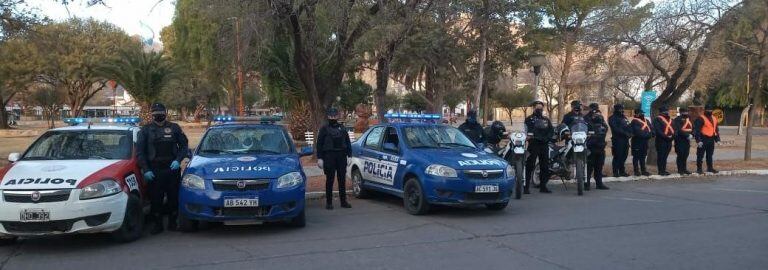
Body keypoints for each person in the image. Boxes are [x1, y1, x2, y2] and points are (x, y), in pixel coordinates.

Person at [137, 103, 189, 234]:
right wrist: (146, 169)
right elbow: (140, 152)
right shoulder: (146, 130)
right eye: (155, 113)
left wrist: (178, 160)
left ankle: (173, 223)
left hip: (172, 168)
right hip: (154, 170)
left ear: (165, 113)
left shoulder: (175, 128)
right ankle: (157, 225)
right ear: (152, 115)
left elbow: (184, 147)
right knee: (156, 199)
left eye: (160, 113)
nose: (158, 115)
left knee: (173, 198)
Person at [316, 107, 352, 209]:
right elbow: (319, 144)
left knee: (342, 180)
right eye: (331, 116)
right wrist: (320, 158)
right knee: (330, 180)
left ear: (337, 116)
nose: (333, 117)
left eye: (334, 116)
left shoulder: (342, 128)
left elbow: (348, 142)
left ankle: (343, 201)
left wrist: (350, 155)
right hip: (329, 156)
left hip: (341, 156)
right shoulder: (324, 128)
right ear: (328, 116)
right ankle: (329, 202)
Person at [524, 101, 554, 193]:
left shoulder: (546, 120)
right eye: (537, 108)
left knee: (544, 166)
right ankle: (526, 187)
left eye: (541, 108)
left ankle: (543, 186)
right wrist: (531, 136)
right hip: (533, 144)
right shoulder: (529, 119)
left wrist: (548, 138)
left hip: (544, 145)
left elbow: (551, 130)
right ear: (534, 108)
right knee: (530, 165)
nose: (539, 110)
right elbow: (527, 131)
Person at [585, 103, 609, 190]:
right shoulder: (587, 119)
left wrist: (600, 119)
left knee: (599, 167)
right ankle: (586, 184)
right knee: (589, 167)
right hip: (591, 147)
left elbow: (606, 128)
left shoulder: (601, 120)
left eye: (596, 108)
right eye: (593, 109)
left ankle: (599, 184)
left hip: (600, 146)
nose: (595, 110)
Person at [694, 105, 720, 174]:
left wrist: (717, 140)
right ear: (705, 111)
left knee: (710, 155)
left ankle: (710, 168)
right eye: (708, 110)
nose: (709, 111)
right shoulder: (700, 118)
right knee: (700, 155)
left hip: (711, 139)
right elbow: (697, 130)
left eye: (711, 110)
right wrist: (698, 140)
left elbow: (716, 130)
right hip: (703, 139)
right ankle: (699, 169)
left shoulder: (714, 118)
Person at [608, 104, 633, 177]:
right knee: (617, 156)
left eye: (622, 109)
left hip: (625, 140)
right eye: (620, 109)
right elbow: (615, 128)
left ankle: (622, 171)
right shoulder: (612, 118)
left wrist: (630, 133)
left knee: (624, 156)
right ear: (616, 109)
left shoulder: (624, 117)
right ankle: (615, 172)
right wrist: (625, 133)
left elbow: (629, 126)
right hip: (617, 140)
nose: (622, 110)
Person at [630, 108, 653, 176]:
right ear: (636, 114)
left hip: (645, 142)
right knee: (636, 157)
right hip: (637, 141)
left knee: (643, 157)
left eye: (643, 113)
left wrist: (651, 134)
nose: (642, 114)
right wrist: (648, 135)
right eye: (641, 113)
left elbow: (651, 129)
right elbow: (638, 132)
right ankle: (636, 171)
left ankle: (643, 171)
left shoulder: (647, 120)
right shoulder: (634, 121)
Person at [653, 105, 675, 176]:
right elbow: (658, 130)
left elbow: (674, 128)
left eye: (667, 111)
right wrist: (666, 137)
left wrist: (672, 137)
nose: (666, 113)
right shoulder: (657, 119)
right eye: (665, 111)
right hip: (661, 140)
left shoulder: (670, 119)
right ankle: (660, 171)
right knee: (661, 156)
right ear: (661, 112)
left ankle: (664, 170)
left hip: (669, 141)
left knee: (665, 156)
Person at [672, 107, 694, 175]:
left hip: (687, 140)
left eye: (687, 112)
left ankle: (684, 169)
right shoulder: (677, 119)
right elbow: (678, 129)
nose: (686, 113)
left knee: (685, 155)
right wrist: (687, 135)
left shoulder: (690, 119)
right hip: (679, 140)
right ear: (681, 112)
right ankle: (680, 170)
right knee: (680, 155)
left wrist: (692, 135)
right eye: (685, 112)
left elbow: (693, 128)